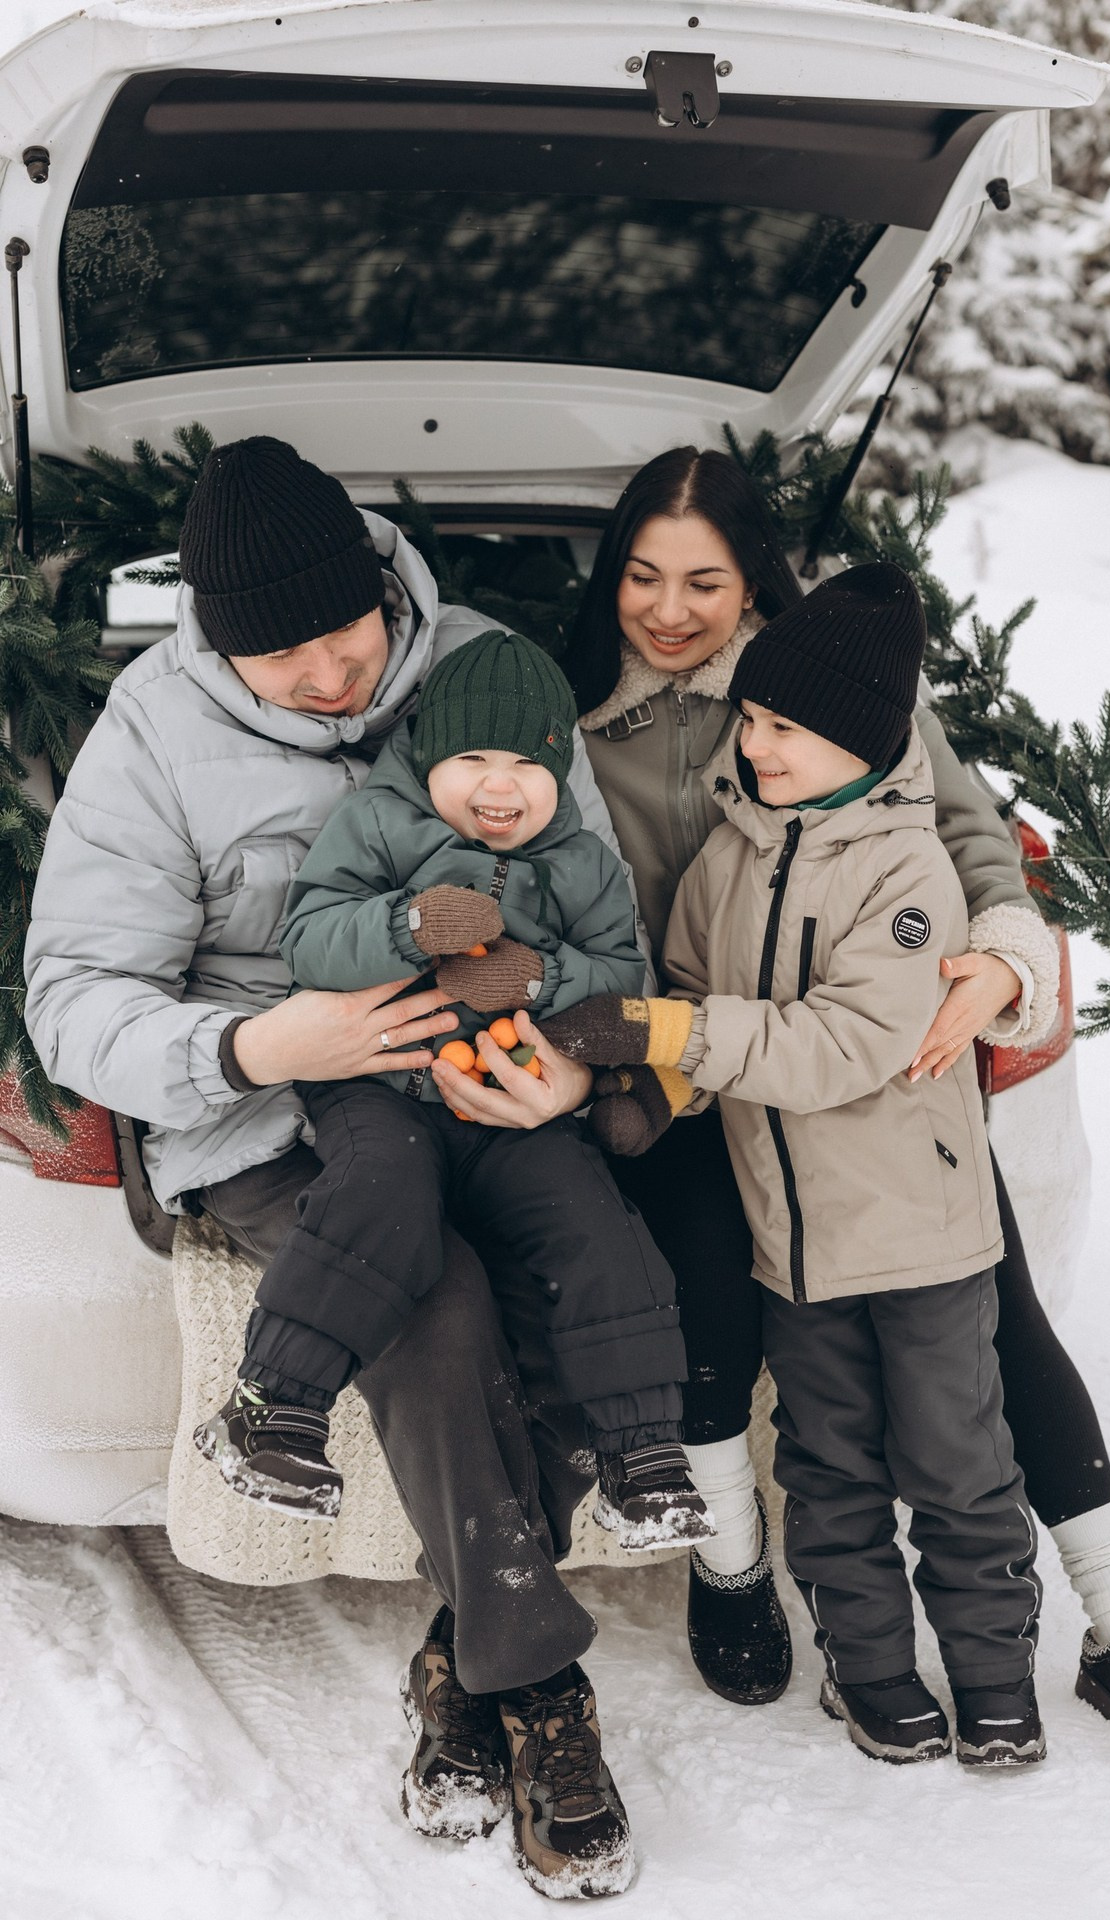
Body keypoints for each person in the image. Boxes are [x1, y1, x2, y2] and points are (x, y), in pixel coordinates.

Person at [503, 443, 1110, 1776]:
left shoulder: (823, 686)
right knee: (709, 1298)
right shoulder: (558, 718)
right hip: (679, 1072)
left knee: (996, 1315)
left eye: (707, 582)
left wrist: (1007, 960)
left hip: (855, 1084)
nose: (671, 612)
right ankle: (732, 1568)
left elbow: (967, 838)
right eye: (644, 579)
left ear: (756, 585)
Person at [23, 437, 654, 1897]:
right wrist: (258, 1049)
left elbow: (596, 904)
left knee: (567, 1268)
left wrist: (571, 1060)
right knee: (427, 1301)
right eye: (276, 658)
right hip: (274, 1108)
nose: (321, 676)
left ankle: (456, 1664)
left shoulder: (491, 671)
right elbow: (71, 998)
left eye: (342, 635)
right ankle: (540, 1690)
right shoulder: (151, 730)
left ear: (385, 583)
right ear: (214, 642)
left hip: (482, 1086)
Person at [545, 564, 1050, 1765]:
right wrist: (651, 1088)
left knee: (956, 1466)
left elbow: (844, 1045)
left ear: (862, 741)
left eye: (786, 729)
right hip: (793, 1249)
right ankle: (873, 1676)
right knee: (827, 1470)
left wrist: (676, 1037)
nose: (756, 745)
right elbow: (687, 999)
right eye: (753, 721)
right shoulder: (725, 861)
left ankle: (992, 1680)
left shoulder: (906, 872)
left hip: (916, 1240)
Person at [196, 626, 711, 1559]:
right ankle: (274, 1408)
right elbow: (311, 937)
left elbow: (618, 974)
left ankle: (641, 1454)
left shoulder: (584, 863)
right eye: (472, 756)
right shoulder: (381, 825)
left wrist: (540, 980)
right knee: (378, 1188)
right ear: (430, 756)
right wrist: (409, 924)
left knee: (596, 1220)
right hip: (383, 1084)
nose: (499, 785)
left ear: (563, 770)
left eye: (527, 762)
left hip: (513, 1099)